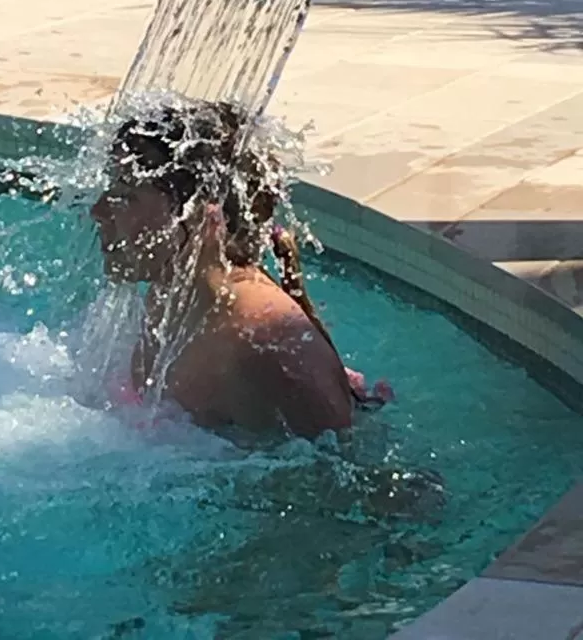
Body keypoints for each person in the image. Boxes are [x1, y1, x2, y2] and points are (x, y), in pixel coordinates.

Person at [91, 100, 391, 442]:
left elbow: (342, 467)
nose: (98, 211)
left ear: (200, 213)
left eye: (125, 196)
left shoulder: (266, 349)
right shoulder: (174, 293)